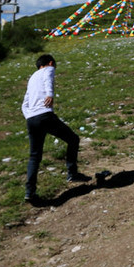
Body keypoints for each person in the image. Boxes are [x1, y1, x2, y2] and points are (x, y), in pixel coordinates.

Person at [21, 54, 86, 203]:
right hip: (45, 116)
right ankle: (72, 173)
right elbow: (48, 79)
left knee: (34, 156)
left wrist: (29, 116)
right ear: (50, 63)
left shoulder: (31, 78)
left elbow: (24, 103)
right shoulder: (48, 70)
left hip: (31, 119)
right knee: (73, 139)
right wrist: (50, 94)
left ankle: (29, 192)